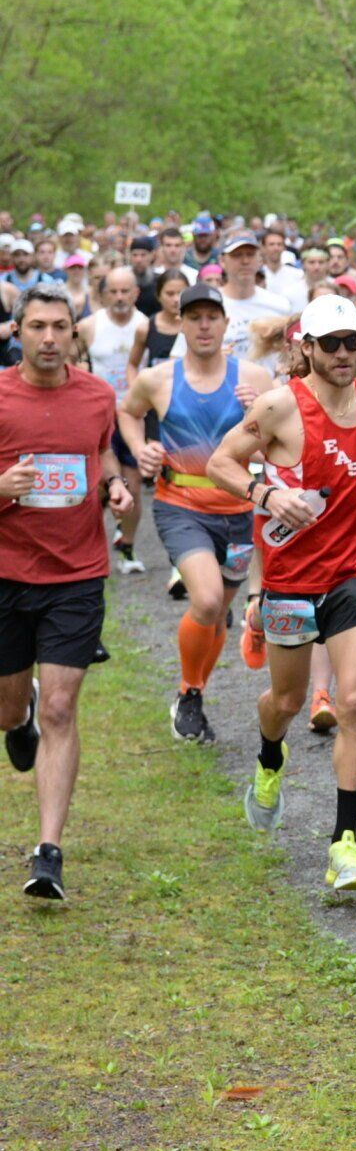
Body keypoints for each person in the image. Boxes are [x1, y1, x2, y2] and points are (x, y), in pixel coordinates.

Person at [205, 294, 356, 891]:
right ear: (307, 348)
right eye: (331, 344)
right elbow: (220, 463)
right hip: (290, 579)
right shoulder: (281, 407)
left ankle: (344, 845)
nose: (344, 354)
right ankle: (269, 757)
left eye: (353, 341)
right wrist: (269, 496)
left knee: (353, 703)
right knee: (286, 700)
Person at [0, 285, 134, 900]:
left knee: (61, 709)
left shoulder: (98, 396)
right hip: (6, 572)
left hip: (77, 574)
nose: (49, 338)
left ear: (76, 333)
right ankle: (16, 709)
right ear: (18, 333)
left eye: (60, 326)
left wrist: (114, 487)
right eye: (37, 327)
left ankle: (48, 851)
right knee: (11, 710)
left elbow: (99, 449)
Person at [116, 284, 273, 743]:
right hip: (181, 505)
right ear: (180, 324)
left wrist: (256, 414)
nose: (203, 326)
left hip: (242, 510)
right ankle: (187, 692)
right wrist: (140, 446)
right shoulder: (159, 379)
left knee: (219, 609)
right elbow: (127, 412)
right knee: (204, 600)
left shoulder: (255, 379)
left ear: (226, 324)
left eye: (212, 317)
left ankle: (194, 695)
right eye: (194, 317)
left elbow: (285, 438)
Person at [75, 266, 149, 576]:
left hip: (134, 413)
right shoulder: (88, 326)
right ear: (103, 295)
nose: (119, 297)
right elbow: (70, 359)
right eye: (113, 292)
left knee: (132, 482)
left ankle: (128, 547)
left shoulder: (146, 326)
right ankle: (87, 548)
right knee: (97, 484)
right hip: (97, 414)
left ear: (136, 293)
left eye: (125, 291)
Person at [218, 233, 294, 354]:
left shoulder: (279, 305)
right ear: (222, 261)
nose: (245, 261)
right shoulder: (211, 304)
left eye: (250, 254)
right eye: (237, 255)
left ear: (259, 260)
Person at [260, 225, 308, 309]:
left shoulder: (298, 274)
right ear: (263, 248)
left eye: (279, 244)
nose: (276, 248)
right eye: (271, 244)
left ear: (284, 248)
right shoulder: (257, 275)